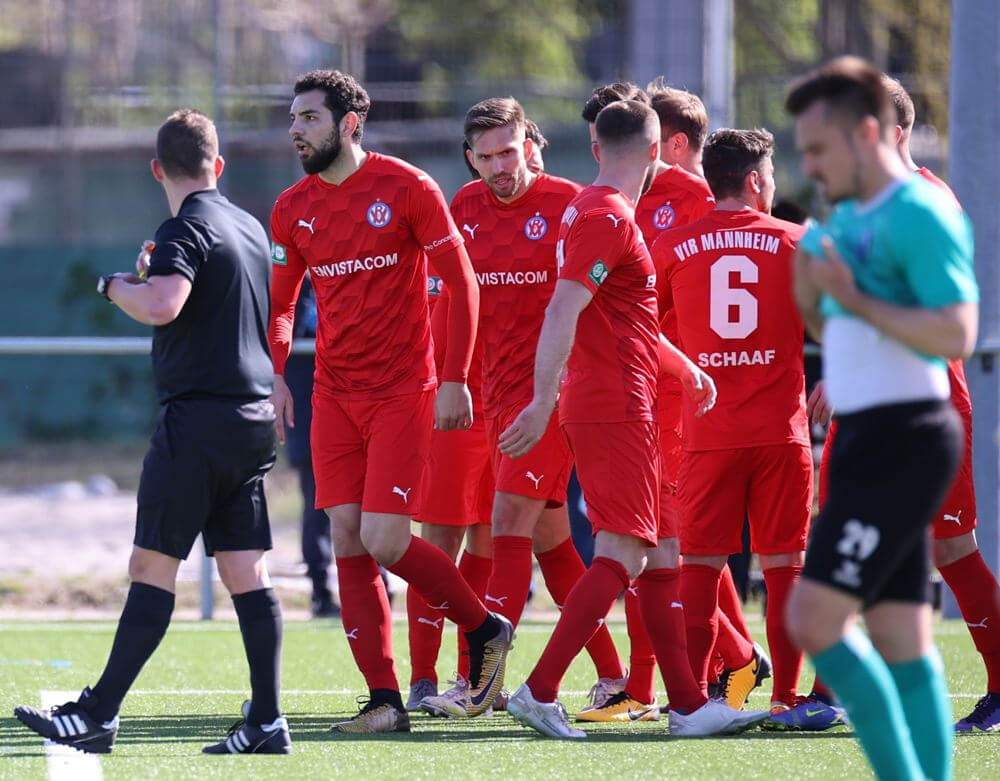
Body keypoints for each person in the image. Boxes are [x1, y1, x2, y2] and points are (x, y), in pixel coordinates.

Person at [14, 109, 290, 755]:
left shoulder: (183, 225)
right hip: (252, 420)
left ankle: (99, 713)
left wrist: (115, 285)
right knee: (248, 570)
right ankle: (268, 720)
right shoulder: (248, 226)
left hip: (199, 422)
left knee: (150, 565)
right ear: (217, 165)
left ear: (156, 169)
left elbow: (164, 302)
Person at [504, 99, 766, 739]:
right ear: (655, 153)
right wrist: (542, 401)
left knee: (664, 552)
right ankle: (539, 692)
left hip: (629, 398)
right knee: (622, 552)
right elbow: (562, 311)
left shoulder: (585, 210)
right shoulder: (608, 217)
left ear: (595, 148)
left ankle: (685, 705)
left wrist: (683, 371)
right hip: (613, 405)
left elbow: (629, 322)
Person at [267, 69, 512, 734]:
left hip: (405, 391)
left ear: (349, 124)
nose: (296, 128)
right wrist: (276, 372)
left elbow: (462, 283)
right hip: (333, 394)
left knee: (384, 537)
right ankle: (384, 700)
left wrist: (455, 377)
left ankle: (485, 627)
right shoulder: (292, 207)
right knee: (345, 535)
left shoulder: (406, 187)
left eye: (309, 118)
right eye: (293, 118)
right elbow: (283, 301)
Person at [786, 56, 977, 780]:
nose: (808, 165)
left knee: (814, 620)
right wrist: (817, 290)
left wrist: (853, 297)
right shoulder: (846, 218)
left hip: (907, 436)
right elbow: (834, 323)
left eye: (818, 149)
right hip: (866, 430)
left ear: (868, 133)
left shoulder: (920, 211)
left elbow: (955, 331)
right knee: (900, 634)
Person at [419, 97, 627, 720]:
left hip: (546, 398)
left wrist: (554, 390)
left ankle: (477, 683)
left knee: (507, 522)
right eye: (485, 157)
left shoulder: (571, 205)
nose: (499, 166)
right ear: (470, 159)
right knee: (551, 543)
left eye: (508, 151)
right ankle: (615, 678)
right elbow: (447, 301)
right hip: (482, 396)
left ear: (529, 145)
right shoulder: (462, 208)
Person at [575, 81, 763, 723]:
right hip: (632, 388)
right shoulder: (605, 205)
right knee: (664, 544)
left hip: (674, 395)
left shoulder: (694, 199)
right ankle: (684, 675)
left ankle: (712, 668)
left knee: (669, 544)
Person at [651, 128, 830, 727]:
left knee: (699, 567)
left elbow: (645, 333)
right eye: (771, 174)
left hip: (707, 433)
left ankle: (699, 702)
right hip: (782, 433)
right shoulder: (799, 242)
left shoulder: (673, 246)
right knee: (784, 567)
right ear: (754, 181)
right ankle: (785, 698)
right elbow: (844, 326)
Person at [282, 276, 338, 618]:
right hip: (306, 409)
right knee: (316, 504)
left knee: (367, 505)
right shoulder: (290, 289)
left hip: (354, 407)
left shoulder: (354, 276)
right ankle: (320, 592)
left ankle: (375, 587)